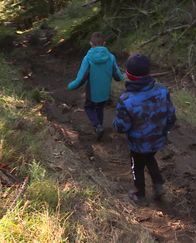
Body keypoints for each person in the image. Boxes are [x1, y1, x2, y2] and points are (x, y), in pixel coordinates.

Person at [113, 53, 176, 204]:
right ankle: (158, 183)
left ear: (128, 75)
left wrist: (116, 124)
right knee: (150, 157)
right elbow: (171, 116)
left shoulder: (126, 100)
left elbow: (121, 126)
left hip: (138, 143)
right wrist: (165, 130)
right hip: (158, 138)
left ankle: (139, 193)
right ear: (149, 72)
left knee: (138, 166)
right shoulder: (162, 91)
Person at [67, 32, 123, 139]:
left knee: (88, 107)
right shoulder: (111, 57)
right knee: (99, 108)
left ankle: (97, 126)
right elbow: (118, 76)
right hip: (105, 91)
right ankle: (99, 126)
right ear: (104, 43)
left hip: (92, 91)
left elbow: (81, 78)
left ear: (90, 43)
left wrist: (71, 86)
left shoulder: (87, 58)